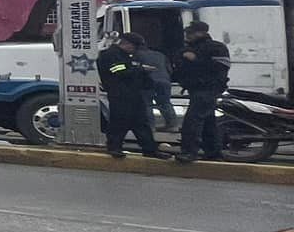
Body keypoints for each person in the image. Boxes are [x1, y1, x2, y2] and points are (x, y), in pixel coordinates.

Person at [98, 31, 164, 159]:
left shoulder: (126, 56)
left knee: (141, 123)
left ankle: (150, 150)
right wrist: (141, 69)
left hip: (133, 94)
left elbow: (130, 69)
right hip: (119, 94)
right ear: (126, 44)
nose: (135, 51)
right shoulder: (110, 55)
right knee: (119, 122)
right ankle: (114, 148)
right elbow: (118, 71)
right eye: (134, 47)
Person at [174, 18, 231, 163]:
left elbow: (220, 68)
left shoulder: (216, 47)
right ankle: (213, 152)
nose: (188, 36)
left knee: (193, 121)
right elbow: (179, 67)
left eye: (191, 33)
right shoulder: (187, 48)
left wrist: (195, 60)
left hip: (208, 88)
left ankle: (189, 152)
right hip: (195, 89)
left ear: (201, 33)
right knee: (207, 121)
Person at [136, 40, 178, 131]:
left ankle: (150, 127)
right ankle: (172, 125)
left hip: (148, 82)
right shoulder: (160, 55)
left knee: (147, 104)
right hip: (164, 81)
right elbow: (169, 69)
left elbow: (136, 69)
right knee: (165, 103)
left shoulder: (137, 55)